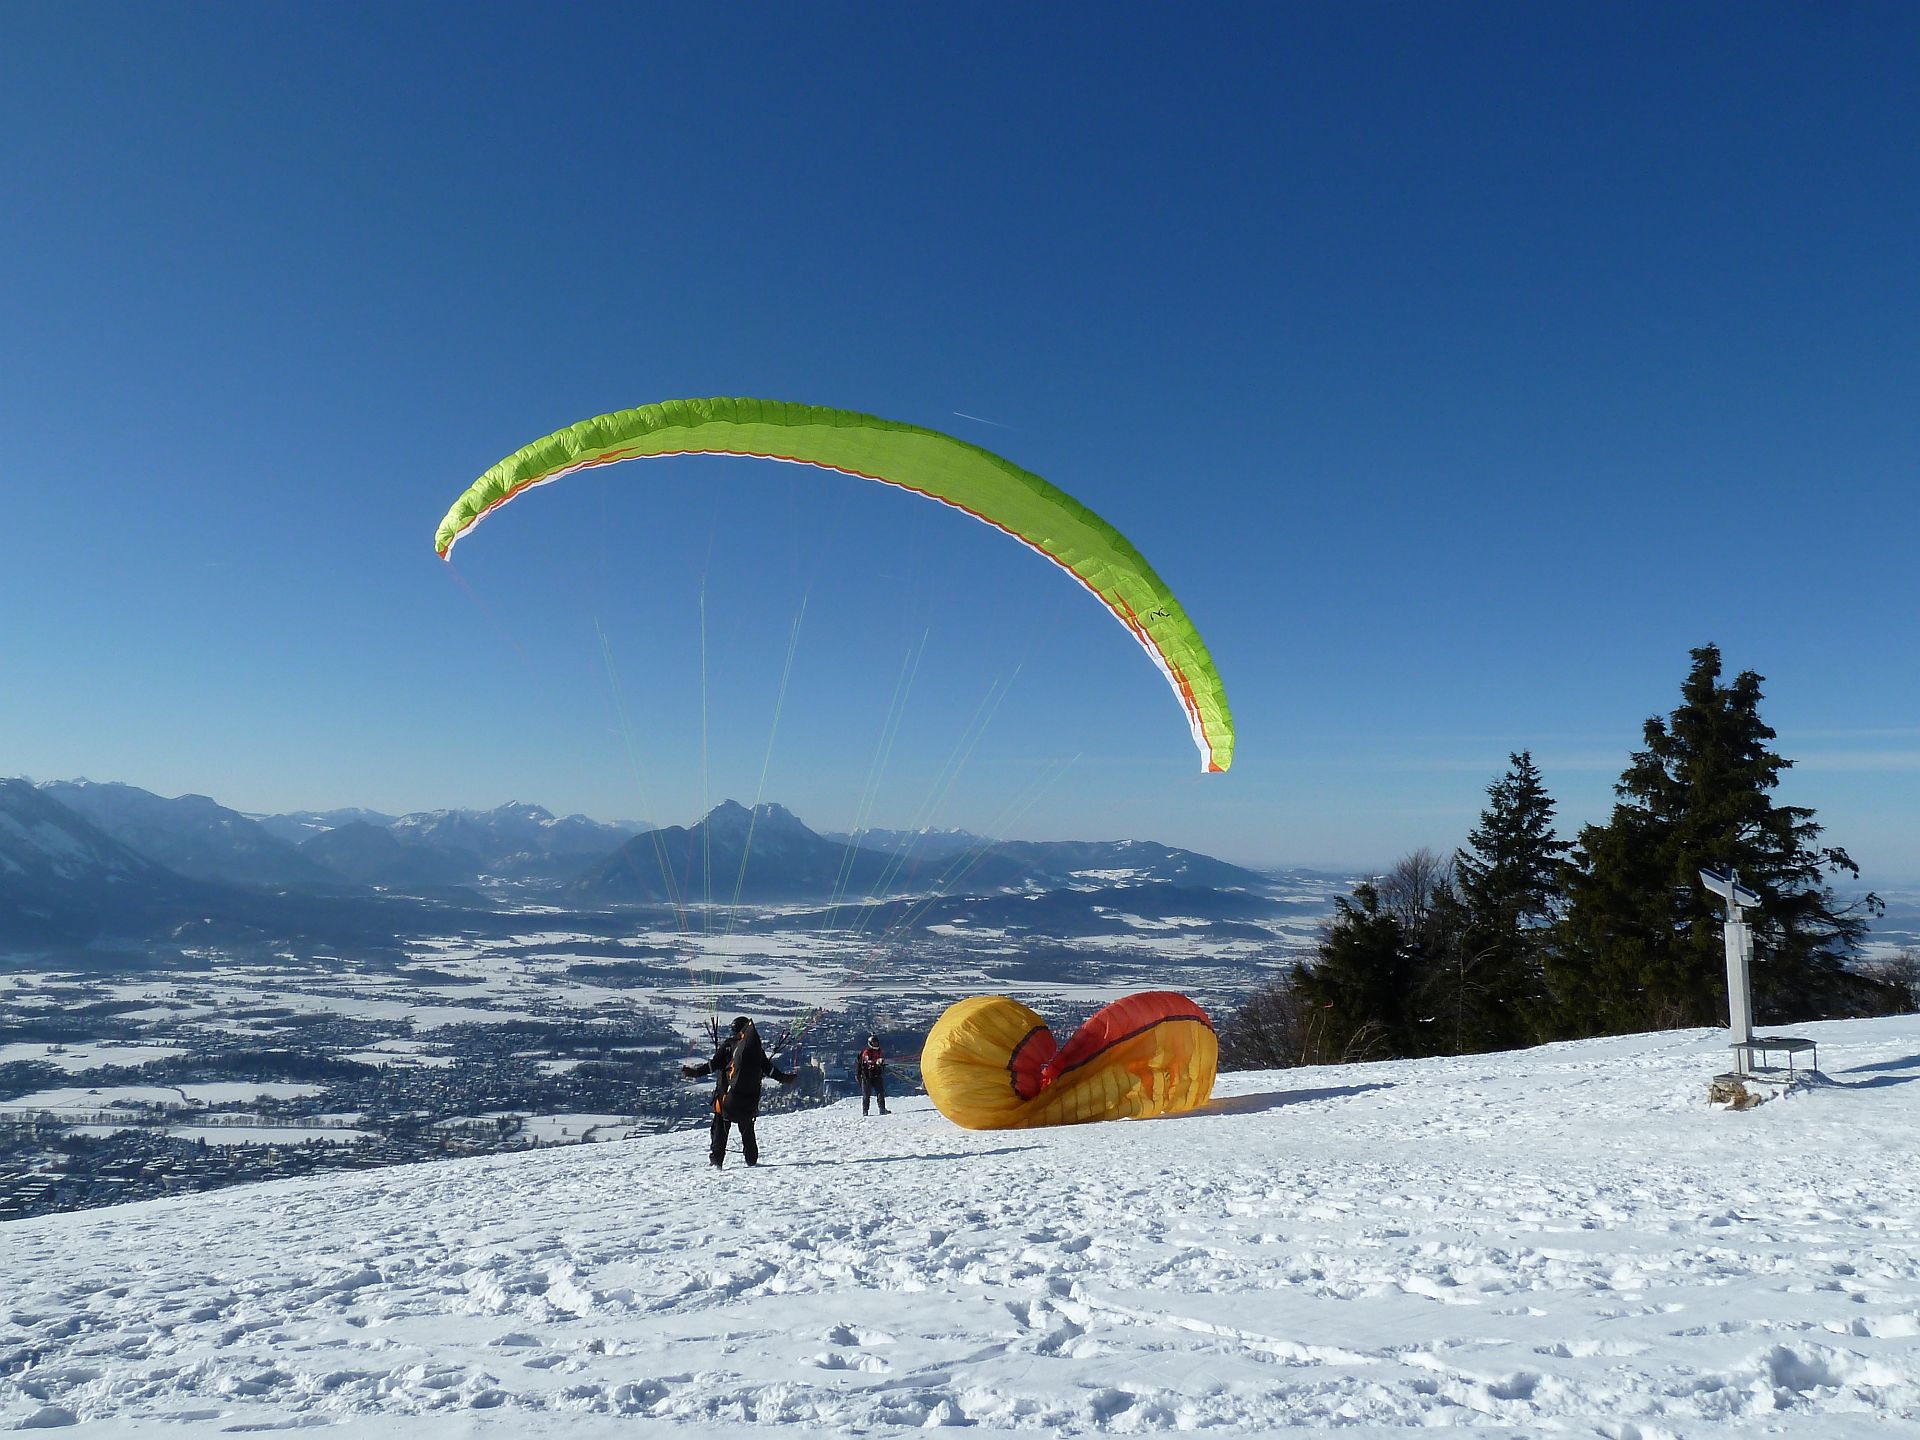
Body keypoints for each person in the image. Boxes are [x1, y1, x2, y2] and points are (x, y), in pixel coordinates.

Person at [681, 1016, 794, 1167]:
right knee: (747, 1129)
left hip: (725, 1098)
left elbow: (712, 1065)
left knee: (720, 1129)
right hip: (748, 1099)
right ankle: (751, 1160)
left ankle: (717, 1161)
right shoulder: (754, 1050)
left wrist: (695, 1073)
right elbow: (769, 1069)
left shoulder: (729, 1046)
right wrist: (784, 1078)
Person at [856, 1034, 889, 1115]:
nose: (876, 1044)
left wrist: (881, 1063)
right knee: (866, 1095)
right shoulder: (866, 1052)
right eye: (874, 1043)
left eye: (876, 1043)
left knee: (880, 1093)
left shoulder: (879, 1051)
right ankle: (865, 1111)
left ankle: (882, 1109)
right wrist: (877, 1062)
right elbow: (868, 1060)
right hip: (867, 1076)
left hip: (876, 1075)